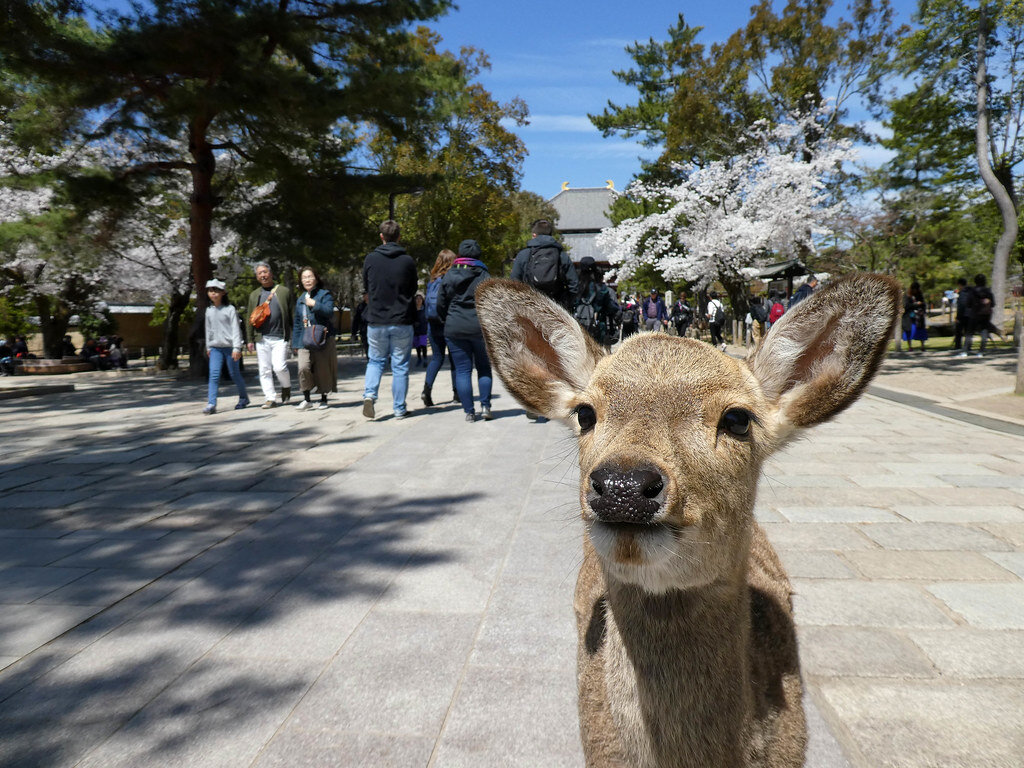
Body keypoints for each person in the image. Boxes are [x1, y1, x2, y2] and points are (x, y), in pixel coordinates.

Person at [362, 219, 417, 420]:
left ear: (381, 237)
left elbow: (366, 287)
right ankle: (399, 409)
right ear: (399, 237)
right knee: (400, 365)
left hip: (377, 319)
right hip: (401, 319)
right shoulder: (408, 261)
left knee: (375, 361)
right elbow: (412, 289)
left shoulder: (370, 259)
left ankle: (369, 395)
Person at [438, 239, 493, 422]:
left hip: (455, 327)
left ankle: (469, 411)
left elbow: (441, 302)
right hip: (480, 328)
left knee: (463, 370)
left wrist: (446, 319)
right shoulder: (484, 274)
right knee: (484, 369)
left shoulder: (450, 274)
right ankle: (485, 406)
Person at [245, 262, 293, 408]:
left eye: (265, 272)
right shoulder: (254, 295)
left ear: (271, 273)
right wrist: (249, 339)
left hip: (280, 336)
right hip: (262, 338)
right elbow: (250, 317)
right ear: (257, 277)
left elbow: (292, 314)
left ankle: (286, 386)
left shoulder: (284, 291)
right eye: (260, 273)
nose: (263, 275)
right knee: (264, 370)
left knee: (279, 367)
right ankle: (270, 398)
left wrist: (295, 336)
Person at [291, 265, 337, 410]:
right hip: (305, 338)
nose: (307, 280)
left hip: (321, 336)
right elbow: (298, 323)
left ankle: (323, 398)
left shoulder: (325, 295)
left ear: (316, 278)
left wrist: (315, 304)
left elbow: (329, 312)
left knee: (322, 368)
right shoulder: (300, 299)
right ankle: (306, 398)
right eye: (304, 278)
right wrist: (296, 343)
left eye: (310, 276)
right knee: (303, 367)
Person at [510, 219, 578, 311]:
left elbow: (514, 281)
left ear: (534, 235)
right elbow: (573, 283)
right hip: (556, 306)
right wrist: (567, 304)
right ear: (551, 235)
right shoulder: (561, 255)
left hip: (530, 305)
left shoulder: (524, 254)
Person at [203, 278, 249, 414]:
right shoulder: (209, 310)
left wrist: (237, 348)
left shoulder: (230, 309)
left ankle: (243, 398)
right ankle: (211, 403)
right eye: (211, 291)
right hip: (215, 347)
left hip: (230, 347)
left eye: (216, 291)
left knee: (234, 374)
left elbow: (236, 329)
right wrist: (208, 346)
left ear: (223, 293)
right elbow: (208, 329)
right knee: (214, 375)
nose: (213, 294)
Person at [422, 249, 457, 407]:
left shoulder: (432, 280)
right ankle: (457, 393)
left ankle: (426, 390)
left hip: (432, 323)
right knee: (455, 358)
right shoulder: (451, 279)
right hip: (448, 322)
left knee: (437, 358)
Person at [573, 256, 620, 353]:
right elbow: (611, 308)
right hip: (597, 327)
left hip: (578, 326)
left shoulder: (575, 288)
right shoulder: (601, 288)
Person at [960, 273, 995, 358]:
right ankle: (981, 351)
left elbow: (968, 304)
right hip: (986, 315)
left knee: (969, 333)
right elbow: (993, 304)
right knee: (984, 332)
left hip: (974, 314)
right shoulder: (988, 291)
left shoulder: (972, 291)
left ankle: (965, 351)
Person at [902, 281, 928, 351]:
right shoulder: (907, 296)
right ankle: (910, 346)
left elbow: (924, 304)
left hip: (919, 317)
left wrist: (923, 309)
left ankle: (922, 346)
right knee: (909, 331)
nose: (916, 290)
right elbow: (906, 306)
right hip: (910, 317)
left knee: (921, 331)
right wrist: (916, 304)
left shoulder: (920, 295)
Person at [953, 277, 970, 351]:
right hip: (970, 314)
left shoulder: (962, 293)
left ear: (960, 285)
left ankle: (958, 346)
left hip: (963, 315)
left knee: (959, 331)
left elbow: (961, 306)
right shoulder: (970, 292)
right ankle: (968, 346)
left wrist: (958, 317)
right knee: (968, 332)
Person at [412, 293, 428, 367]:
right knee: (417, 345)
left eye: (420, 299)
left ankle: (425, 359)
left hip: (423, 329)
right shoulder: (412, 310)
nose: (418, 300)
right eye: (417, 299)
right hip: (415, 330)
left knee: (423, 345)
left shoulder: (425, 309)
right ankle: (419, 358)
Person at [351, 292, 369, 357]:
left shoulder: (376, 305)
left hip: (376, 331)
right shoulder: (360, 307)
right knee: (368, 351)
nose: (366, 296)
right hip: (365, 332)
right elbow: (356, 320)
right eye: (364, 295)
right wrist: (353, 333)